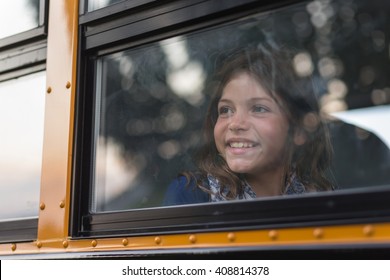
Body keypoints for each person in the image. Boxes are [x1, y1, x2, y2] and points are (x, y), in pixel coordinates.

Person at [164, 46, 333, 206]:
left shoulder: (320, 196)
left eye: (259, 108)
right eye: (226, 109)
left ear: (298, 131)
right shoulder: (193, 193)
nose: (235, 124)